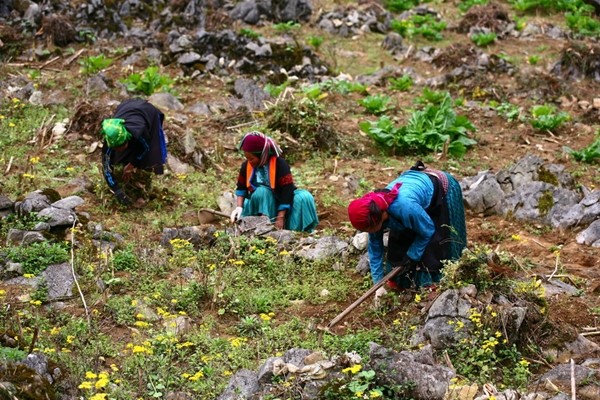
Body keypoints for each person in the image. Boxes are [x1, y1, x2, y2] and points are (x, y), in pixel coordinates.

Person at [347, 161, 466, 296]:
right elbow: (375, 247)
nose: (371, 233)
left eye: (371, 229)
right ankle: (402, 280)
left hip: (441, 188)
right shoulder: (373, 211)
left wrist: (412, 255)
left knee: (435, 243)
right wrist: (378, 284)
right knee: (399, 242)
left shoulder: (404, 207)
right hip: (411, 199)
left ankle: (433, 281)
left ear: (382, 215)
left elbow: (427, 230)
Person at [230, 131, 319, 232]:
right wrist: (238, 208)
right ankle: (263, 227)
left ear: (262, 156)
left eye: (252, 158)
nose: (249, 161)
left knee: (304, 197)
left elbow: (287, 191)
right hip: (260, 203)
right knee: (262, 192)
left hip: (282, 201)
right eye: (247, 158)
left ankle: (295, 231)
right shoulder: (247, 166)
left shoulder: (280, 164)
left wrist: (280, 218)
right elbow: (241, 189)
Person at [101, 99, 167, 206]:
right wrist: (118, 191)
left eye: (122, 146)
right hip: (125, 107)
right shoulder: (109, 142)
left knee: (152, 154)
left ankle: (145, 182)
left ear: (126, 138)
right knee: (117, 157)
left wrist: (132, 164)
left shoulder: (139, 132)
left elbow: (146, 148)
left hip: (147, 111)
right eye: (116, 148)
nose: (120, 149)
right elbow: (106, 169)